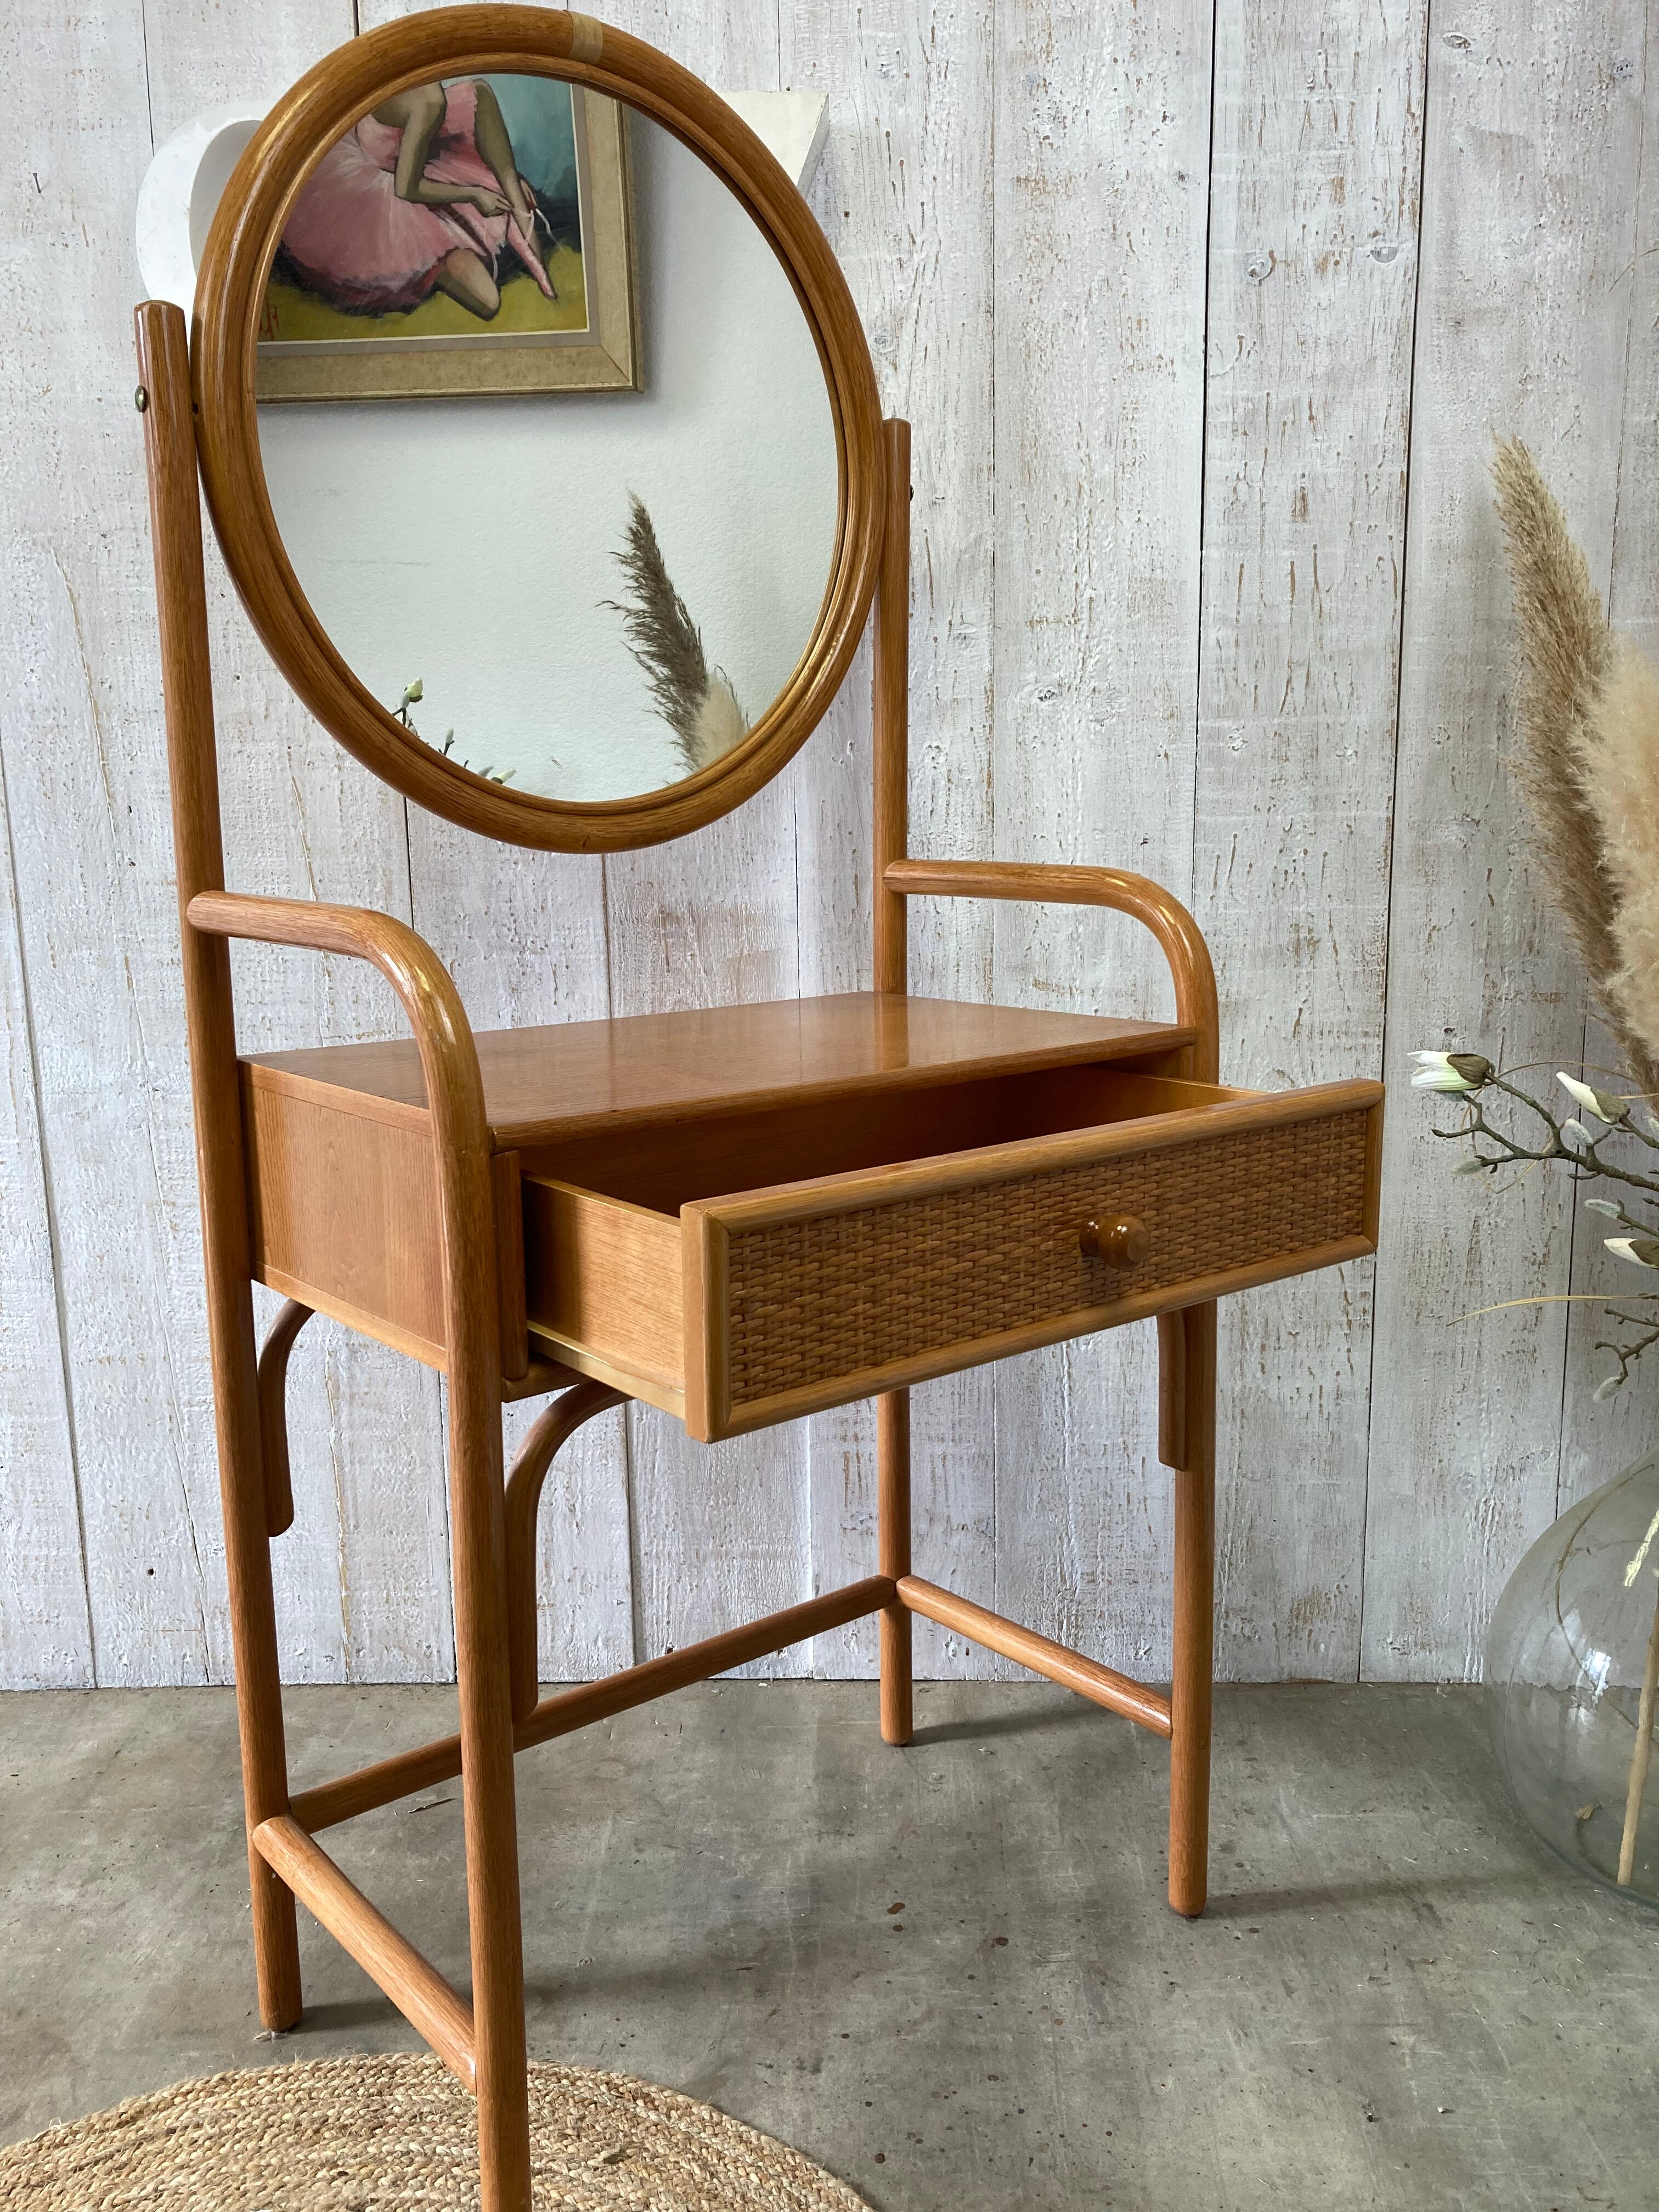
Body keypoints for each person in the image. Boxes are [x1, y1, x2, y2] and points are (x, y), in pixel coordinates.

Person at [278, 78, 556, 319]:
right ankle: (443, 263)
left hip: (417, 159)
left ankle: (533, 255)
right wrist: (474, 193)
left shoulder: (460, 95)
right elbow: (406, 190)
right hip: (381, 187)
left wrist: (508, 184)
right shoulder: (428, 101)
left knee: (478, 98)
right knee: (488, 303)